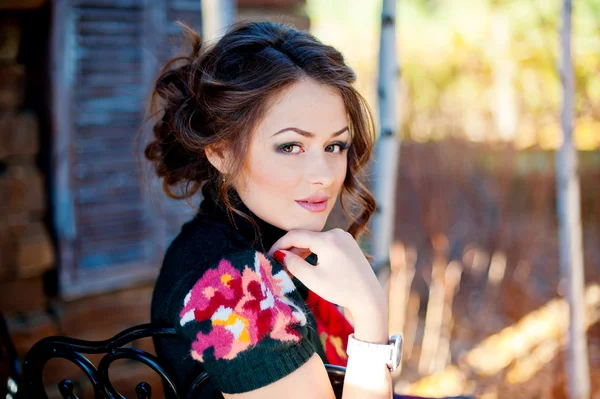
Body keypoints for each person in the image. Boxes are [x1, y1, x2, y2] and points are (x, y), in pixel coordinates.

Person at [145, 21, 393, 399]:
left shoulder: (273, 248)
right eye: (291, 146)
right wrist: (371, 318)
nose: (324, 176)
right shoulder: (232, 287)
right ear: (222, 152)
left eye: (334, 146)